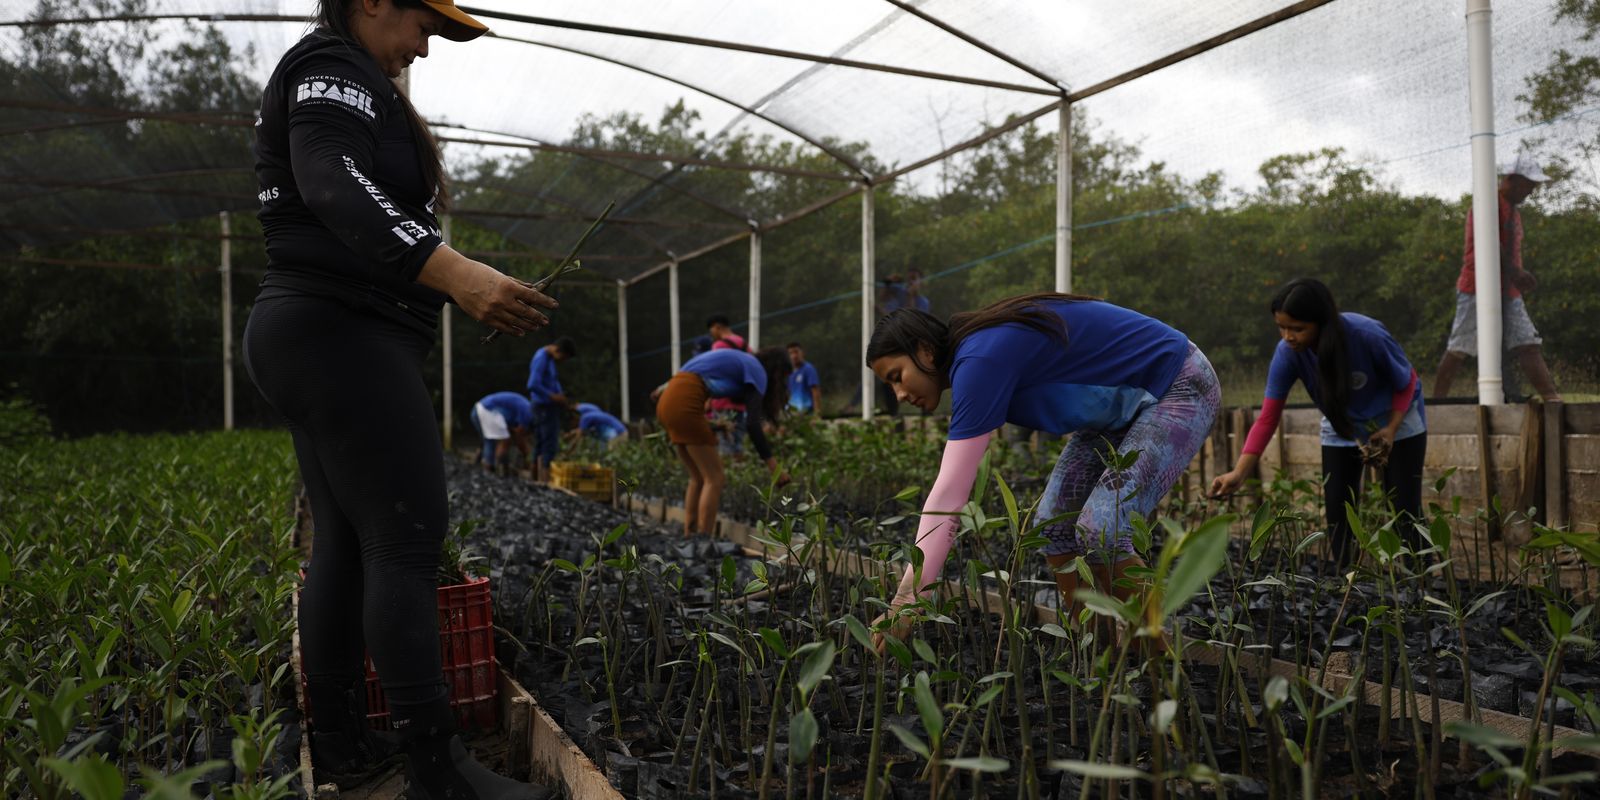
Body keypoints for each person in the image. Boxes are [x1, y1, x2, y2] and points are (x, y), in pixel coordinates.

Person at [242, 2, 550, 797]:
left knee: (347, 545)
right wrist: (462, 275)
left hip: (317, 335)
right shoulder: (330, 67)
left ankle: (342, 744)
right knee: (405, 545)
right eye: (422, 25)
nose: (424, 47)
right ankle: (436, 768)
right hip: (339, 334)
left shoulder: (350, 76)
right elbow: (331, 181)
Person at [866, 293, 1220, 643]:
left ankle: (1160, 674)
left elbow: (950, 494)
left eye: (897, 375)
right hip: (1117, 414)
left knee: (1103, 530)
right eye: (890, 384)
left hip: (1179, 382)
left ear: (925, 350)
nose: (898, 394)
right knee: (1053, 526)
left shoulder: (978, 361)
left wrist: (907, 600)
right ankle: (1096, 654)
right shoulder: (974, 357)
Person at [1211, 278, 1427, 566]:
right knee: (1339, 511)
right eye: (1281, 327)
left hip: (1397, 420)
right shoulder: (1288, 354)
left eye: (1297, 328)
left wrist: (1390, 429)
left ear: (1322, 322)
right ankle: (1348, 581)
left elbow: (1406, 381)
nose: (1288, 336)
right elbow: (1267, 417)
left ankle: (1420, 584)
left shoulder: (1366, 334)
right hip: (1342, 424)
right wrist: (1238, 473)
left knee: (1403, 508)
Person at [1432, 154, 1561, 402]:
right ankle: (1437, 405)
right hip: (1476, 287)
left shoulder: (1513, 212)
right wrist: (1517, 273)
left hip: (1508, 291)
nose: (1532, 191)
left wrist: (1517, 277)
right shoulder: (1487, 203)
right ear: (1512, 180)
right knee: (1459, 347)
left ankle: (1553, 401)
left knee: (1527, 342)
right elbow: (1489, 242)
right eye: (1529, 185)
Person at [651, 347, 792, 537]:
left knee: (698, 477)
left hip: (668, 401)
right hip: (685, 398)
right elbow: (753, 424)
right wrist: (773, 466)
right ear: (777, 371)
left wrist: (716, 426)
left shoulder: (737, 360)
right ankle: (704, 540)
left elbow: (682, 384)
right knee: (715, 478)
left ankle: (690, 535)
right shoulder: (756, 370)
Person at [876, 269, 930, 415]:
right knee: (889, 379)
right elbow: (886, 309)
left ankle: (926, 412)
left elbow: (912, 319)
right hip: (897, 348)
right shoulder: (898, 299)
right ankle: (892, 412)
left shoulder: (923, 302)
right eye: (909, 279)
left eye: (915, 279)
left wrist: (911, 297)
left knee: (922, 377)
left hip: (915, 348)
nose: (911, 283)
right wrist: (888, 284)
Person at [526, 337, 576, 482]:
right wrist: (553, 397)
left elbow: (552, 382)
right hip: (544, 407)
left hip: (547, 406)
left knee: (542, 443)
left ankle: (535, 481)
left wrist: (561, 397)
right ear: (558, 350)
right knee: (549, 444)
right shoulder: (541, 358)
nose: (562, 361)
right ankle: (544, 481)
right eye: (563, 357)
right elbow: (532, 384)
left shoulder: (548, 359)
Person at [705, 315, 749, 457]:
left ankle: (728, 478)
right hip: (741, 402)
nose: (712, 334)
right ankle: (742, 475)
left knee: (724, 443)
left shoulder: (718, 346)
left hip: (722, 402)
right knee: (738, 443)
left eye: (711, 330)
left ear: (717, 327)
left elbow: (714, 373)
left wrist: (708, 400)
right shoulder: (744, 344)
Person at [470, 391, 531, 472]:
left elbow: (515, 431)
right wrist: (526, 453)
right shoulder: (528, 412)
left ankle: (481, 464)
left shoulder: (521, 409)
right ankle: (492, 469)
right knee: (503, 441)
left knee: (488, 441)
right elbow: (519, 436)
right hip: (487, 411)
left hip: (478, 410)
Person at [786, 342, 822, 415]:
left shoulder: (808, 369)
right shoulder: (789, 373)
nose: (794, 356)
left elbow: (815, 391)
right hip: (793, 414)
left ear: (802, 353)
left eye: (796, 352)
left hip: (807, 413)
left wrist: (817, 413)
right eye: (791, 353)